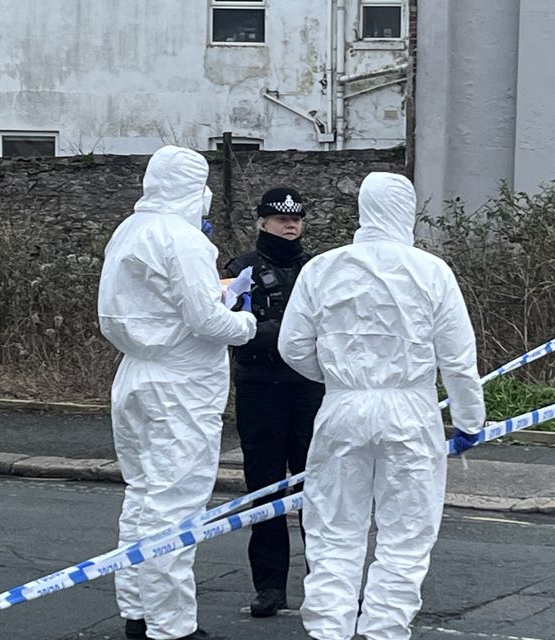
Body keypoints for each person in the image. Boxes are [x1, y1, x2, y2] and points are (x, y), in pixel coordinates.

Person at [278, 172, 486, 640]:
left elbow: (293, 346)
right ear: (406, 213)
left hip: (342, 410)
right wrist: (470, 421)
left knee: (333, 530)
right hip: (411, 412)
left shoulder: (323, 268)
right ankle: (384, 632)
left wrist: (336, 379)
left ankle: (328, 631)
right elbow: (457, 360)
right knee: (406, 534)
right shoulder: (431, 271)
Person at [97, 145, 257, 640]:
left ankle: (138, 612)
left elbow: (149, 306)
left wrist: (215, 295)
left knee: (143, 499)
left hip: (136, 376)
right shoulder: (181, 238)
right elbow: (207, 321)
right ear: (192, 187)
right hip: (180, 386)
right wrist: (246, 319)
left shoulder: (129, 230)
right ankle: (171, 627)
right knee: (177, 508)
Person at [222, 187, 325, 618]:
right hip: (260, 388)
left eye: (296, 218)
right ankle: (269, 588)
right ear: (262, 221)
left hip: (309, 389)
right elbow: (229, 326)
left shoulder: (317, 269)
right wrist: (284, 333)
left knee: (317, 491)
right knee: (264, 490)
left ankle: (323, 586)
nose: (290, 225)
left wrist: (272, 330)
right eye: (281, 218)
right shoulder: (240, 269)